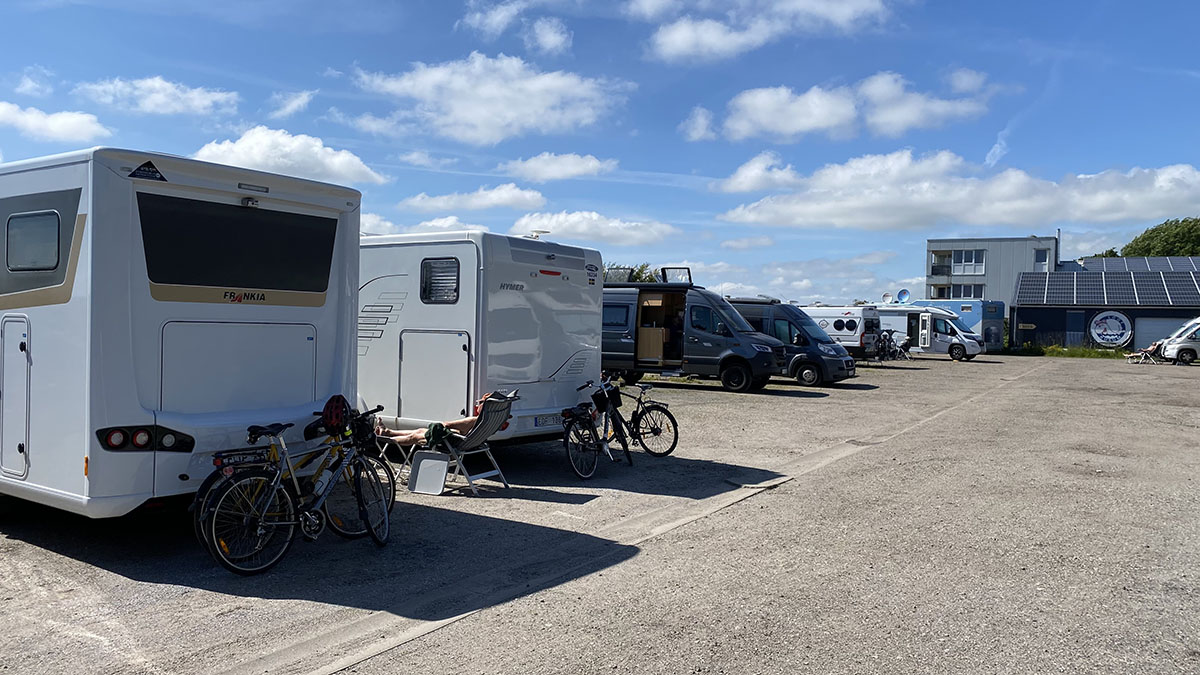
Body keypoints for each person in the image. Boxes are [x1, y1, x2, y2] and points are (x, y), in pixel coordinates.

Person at [374, 393, 496, 446]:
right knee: (420, 430)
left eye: (480, 402)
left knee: (414, 437)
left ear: (485, 406)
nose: (477, 405)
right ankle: (388, 432)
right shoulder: (488, 420)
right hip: (463, 441)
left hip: (451, 443)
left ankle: (385, 439)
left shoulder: (473, 420)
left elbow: (446, 424)